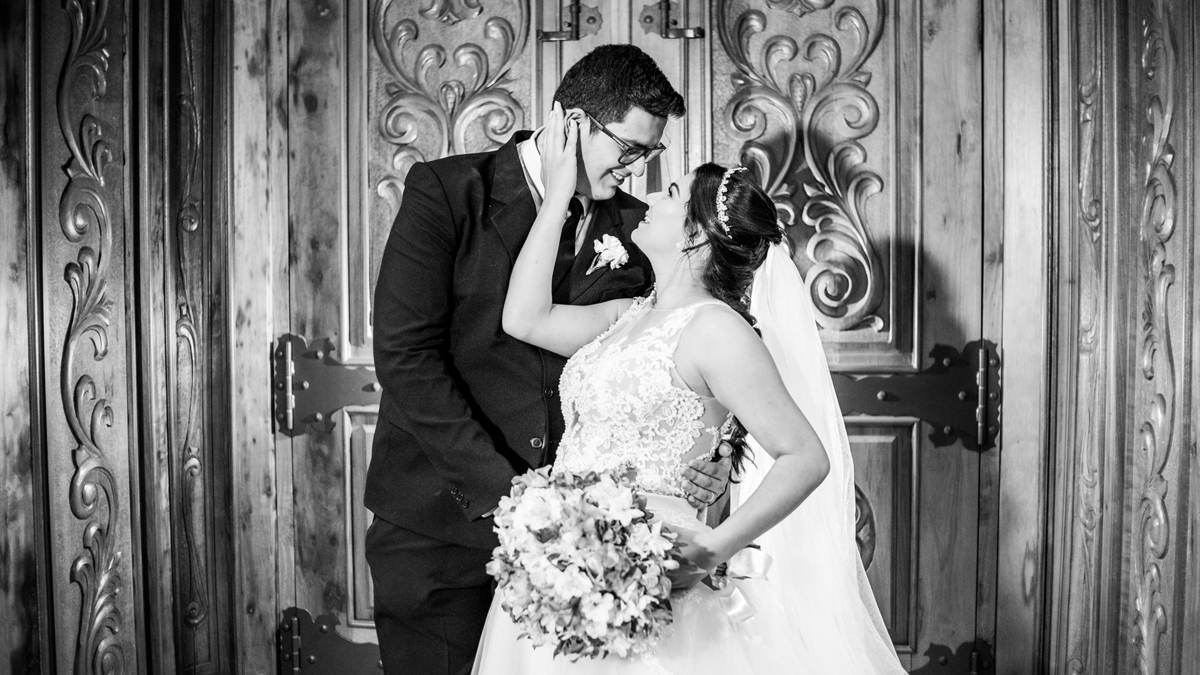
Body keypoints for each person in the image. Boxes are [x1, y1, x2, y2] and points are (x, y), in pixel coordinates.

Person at [470, 105, 907, 673]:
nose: (651, 196)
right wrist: (556, 199)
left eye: (672, 192)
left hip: (653, 571)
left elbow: (805, 457)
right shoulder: (629, 313)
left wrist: (714, 548)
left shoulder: (716, 330)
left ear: (696, 234)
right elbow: (524, 319)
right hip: (567, 562)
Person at [365, 45, 735, 675]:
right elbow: (406, 357)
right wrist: (508, 497)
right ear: (573, 122)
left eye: (650, 155)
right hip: (440, 525)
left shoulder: (643, 229)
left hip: (586, 550)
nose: (637, 170)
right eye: (629, 149)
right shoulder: (448, 191)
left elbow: (686, 347)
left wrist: (713, 452)